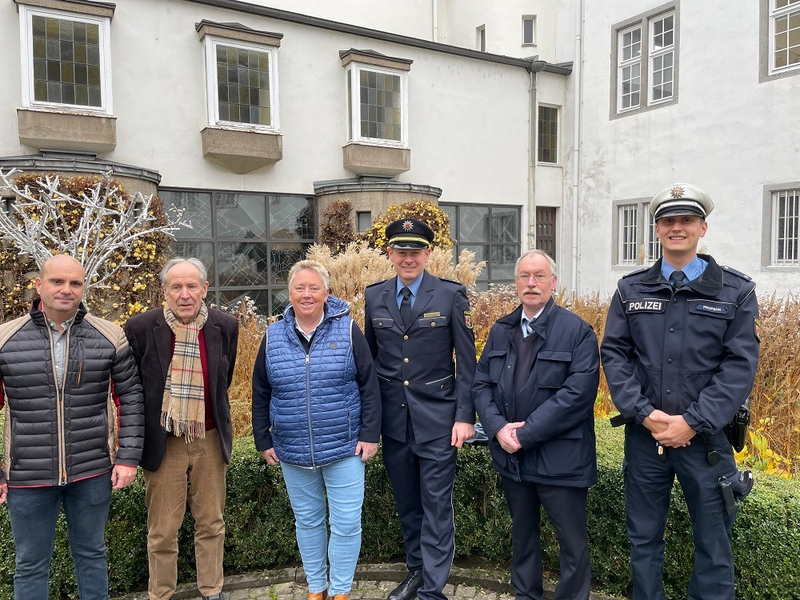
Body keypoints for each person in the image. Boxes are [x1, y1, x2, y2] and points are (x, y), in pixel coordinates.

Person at [600, 184, 760, 600]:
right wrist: (644, 413)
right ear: (656, 231)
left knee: (713, 546)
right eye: (668, 221)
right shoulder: (630, 290)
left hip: (705, 443)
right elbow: (615, 354)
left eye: (686, 220)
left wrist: (692, 421)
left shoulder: (735, 292)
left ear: (702, 227)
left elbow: (739, 366)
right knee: (643, 542)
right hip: (646, 438)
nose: (677, 228)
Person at [0, 254, 144, 600]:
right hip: (27, 476)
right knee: (31, 563)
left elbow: (130, 398)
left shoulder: (110, 336)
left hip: (92, 471)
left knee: (92, 555)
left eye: (75, 283)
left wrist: (127, 457)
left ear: (83, 288)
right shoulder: (6, 339)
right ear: (39, 285)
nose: (66, 289)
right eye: (57, 281)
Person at [473, 249, 599, 600]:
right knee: (523, 538)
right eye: (524, 276)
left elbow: (577, 396)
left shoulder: (577, 332)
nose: (531, 283)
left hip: (561, 461)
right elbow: (481, 385)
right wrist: (499, 429)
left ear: (553, 282)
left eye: (539, 276)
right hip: (514, 460)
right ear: (515, 283)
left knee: (572, 546)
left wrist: (524, 435)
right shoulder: (501, 330)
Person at [252, 259, 381, 600]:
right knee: (308, 522)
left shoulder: (348, 329)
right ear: (289, 293)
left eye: (314, 288)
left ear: (327, 292)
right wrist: (263, 437)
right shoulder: (273, 334)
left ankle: (340, 591)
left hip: (344, 447)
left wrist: (369, 435)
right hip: (293, 449)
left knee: (346, 524)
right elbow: (261, 390)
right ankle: (316, 588)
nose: (306, 295)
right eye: (299, 288)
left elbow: (369, 384)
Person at [364, 218, 477, 600]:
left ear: (428, 254)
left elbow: (467, 361)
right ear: (390, 254)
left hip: (438, 422)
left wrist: (465, 416)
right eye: (401, 251)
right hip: (395, 423)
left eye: (415, 251)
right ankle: (416, 572)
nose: (408, 258)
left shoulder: (450, 295)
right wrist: (371, 423)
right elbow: (372, 363)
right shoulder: (373, 296)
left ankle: (432, 589)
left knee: (436, 508)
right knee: (408, 505)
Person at [124, 258, 239, 600]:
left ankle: (211, 590)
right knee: (162, 529)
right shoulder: (141, 328)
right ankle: (161, 594)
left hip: (209, 437)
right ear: (165, 291)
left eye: (192, 287)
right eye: (176, 287)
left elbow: (223, 381)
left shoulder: (225, 326)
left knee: (211, 522)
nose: (184, 295)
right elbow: (134, 387)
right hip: (164, 440)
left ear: (205, 289)